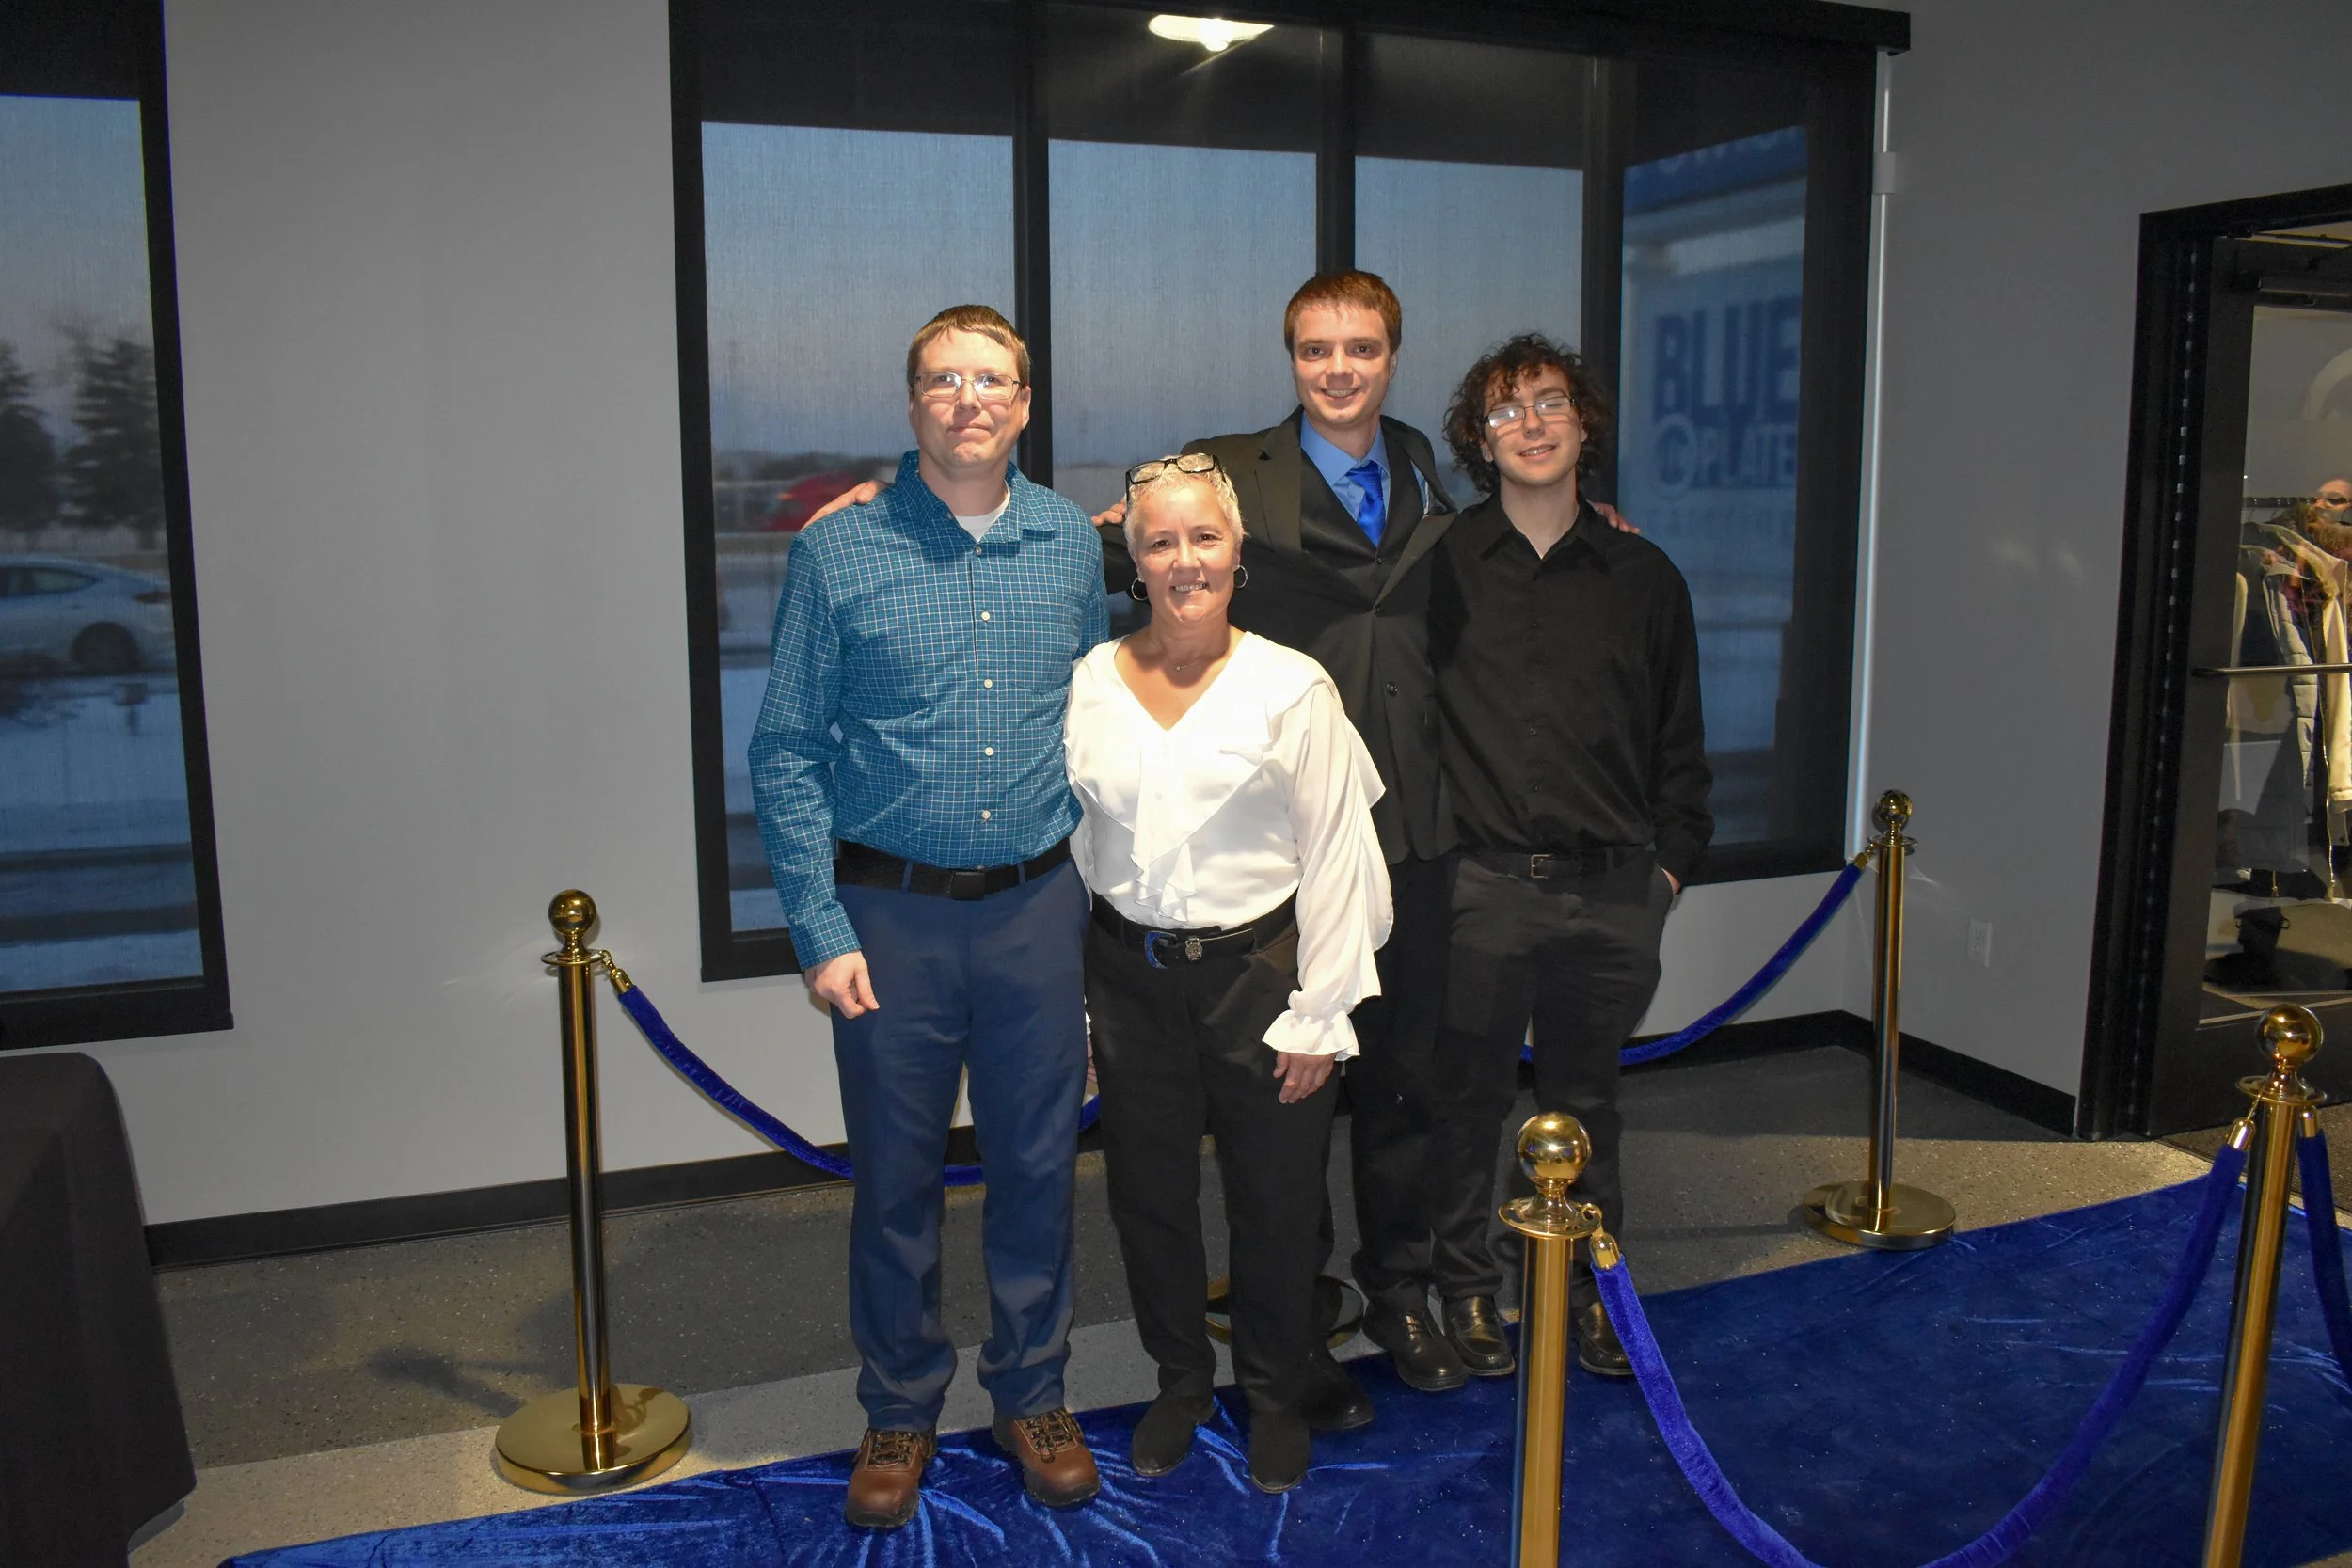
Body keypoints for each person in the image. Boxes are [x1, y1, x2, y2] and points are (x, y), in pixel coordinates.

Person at [747, 304, 1107, 1529]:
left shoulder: (1068, 541)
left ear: (1023, 400)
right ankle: (900, 1398)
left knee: (1038, 1170)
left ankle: (1033, 1389)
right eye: (944, 379)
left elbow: (1101, 731)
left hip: (1034, 911)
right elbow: (787, 745)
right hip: (888, 916)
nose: (970, 398)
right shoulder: (838, 549)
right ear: (913, 405)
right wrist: (816, 921)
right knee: (894, 1176)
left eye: (992, 378)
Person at [1065, 452, 1391, 1493]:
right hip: (1127, 975)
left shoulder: (1291, 685)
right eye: (1159, 541)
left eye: (1203, 537)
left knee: (1276, 1198)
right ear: (1134, 558)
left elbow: (1341, 854)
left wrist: (1320, 1009)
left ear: (1236, 550)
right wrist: (1078, 1014)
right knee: (1148, 1196)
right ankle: (1179, 1383)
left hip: (1265, 970)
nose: (1183, 559)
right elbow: (1072, 852)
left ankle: (1274, 1389)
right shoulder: (1088, 682)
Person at [1423, 332, 1712, 1379]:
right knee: (1462, 1104)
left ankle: (1592, 1286)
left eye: (1550, 403)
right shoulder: (1440, 564)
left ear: (1584, 423)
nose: (1531, 424)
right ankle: (1465, 1288)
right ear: (1477, 439)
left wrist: (1665, 873)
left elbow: (1680, 744)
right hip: (1481, 892)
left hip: (1611, 895)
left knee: (1590, 1108)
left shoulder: (1644, 574)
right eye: (1506, 411)